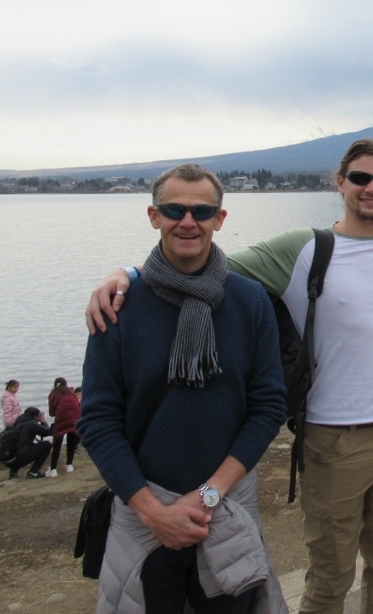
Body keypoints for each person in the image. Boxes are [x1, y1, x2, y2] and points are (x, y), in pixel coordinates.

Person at [85, 140, 373, 614]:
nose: (372, 188)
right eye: (361, 178)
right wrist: (127, 275)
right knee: (329, 580)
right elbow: (206, 264)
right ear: (340, 182)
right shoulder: (302, 249)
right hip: (335, 441)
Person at [78, 163, 288, 613]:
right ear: (154, 216)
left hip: (227, 508)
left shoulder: (249, 301)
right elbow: (97, 420)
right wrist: (153, 511)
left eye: (201, 210)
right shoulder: (118, 306)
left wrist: (210, 495)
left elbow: (268, 407)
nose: (188, 221)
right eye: (174, 209)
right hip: (145, 517)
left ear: (220, 217)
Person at [45, 382, 80, 477]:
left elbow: (52, 413)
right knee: (71, 441)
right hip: (75, 416)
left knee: (57, 441)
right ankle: (69, 465)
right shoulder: (71, 392)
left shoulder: (53, 393)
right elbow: (77, 404)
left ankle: (53, 470)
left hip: (61, 416)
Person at [8, 407, 52, 479]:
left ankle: (13, 472)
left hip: (10, 460)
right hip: (20, 459)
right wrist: (43, 421)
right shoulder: (31, 424)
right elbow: (47, 432)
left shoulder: (17, 423)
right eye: (39, 415)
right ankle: (33, 472)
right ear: (35, 417)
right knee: (47, 445)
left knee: (24, 446)